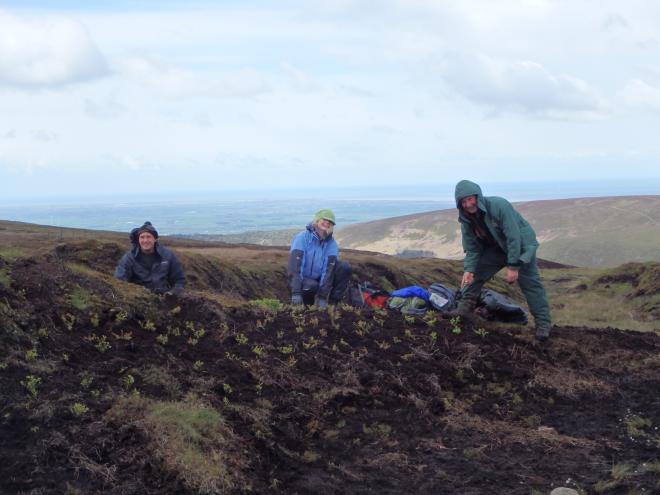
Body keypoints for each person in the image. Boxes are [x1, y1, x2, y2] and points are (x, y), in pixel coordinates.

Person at [453, 180, 552, 341]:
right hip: (496, 249)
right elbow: (472, 248)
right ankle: (463, 310)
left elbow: (514, 237)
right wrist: (469, 270)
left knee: (531, 285)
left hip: (521, 247)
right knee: (475, 274)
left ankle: (543, 325)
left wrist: (513, 266)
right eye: (463, 202)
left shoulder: (499, 206)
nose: (468, 204)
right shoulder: (466, 220)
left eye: (470, 199)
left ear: (477, 196)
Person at [288, 209, 352, 307]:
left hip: (319, 279)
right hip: (303, 279)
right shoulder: (302, 238)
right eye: (324, 219)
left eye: (330, 222)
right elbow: (296, 266)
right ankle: (306, 306)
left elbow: (328, 271)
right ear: (317, 221)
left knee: (344, 267)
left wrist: (322, 296)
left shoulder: (332, 244)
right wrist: (296, 292)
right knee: (311, 286)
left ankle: (333, 303)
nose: (327, 222)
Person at [114, 221, 185, 295]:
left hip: (164, 299)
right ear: (138, 240)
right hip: (141, 299)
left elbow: (179, 280)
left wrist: (173, 293)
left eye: (149, 237)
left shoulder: (168, 256)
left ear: (155, 239)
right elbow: (119, 281)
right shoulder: (129, 258)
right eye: (142, 237)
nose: (145, 240)